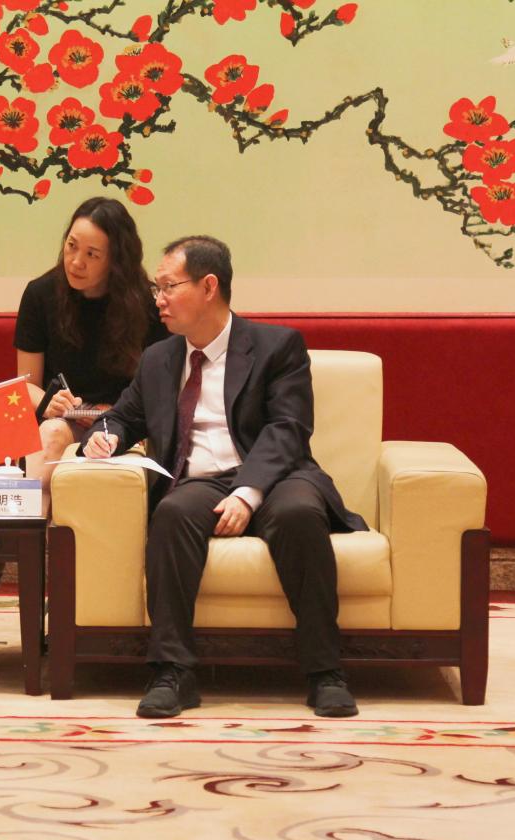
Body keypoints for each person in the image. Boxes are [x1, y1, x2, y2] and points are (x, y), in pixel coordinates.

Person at [82, 235, 366, 719]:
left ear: (209, 287)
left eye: (168, 287)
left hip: (276, 475)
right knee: (171, 514)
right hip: (200, 481)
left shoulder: (277, 346)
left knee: (298, 514)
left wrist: (247, 493)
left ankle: (325, 672)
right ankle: (172, 672)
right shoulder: (159, 359)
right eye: (156, 288)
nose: (159, 300)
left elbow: (288, 429)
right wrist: (105, 437)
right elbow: (125, 416)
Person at [0, 197, 166, 604]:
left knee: (52, 449)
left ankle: (0, 552)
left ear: (116, 260)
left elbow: (161, 388)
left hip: (123, 423)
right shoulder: (41, 294)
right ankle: (24, 566)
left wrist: (113, 414)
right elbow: (25, 384)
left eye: (92, 254)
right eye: (71, 246)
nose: (76, 262)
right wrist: (46, 403)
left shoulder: (149, 305)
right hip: (63, 418)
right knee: (49, 434)